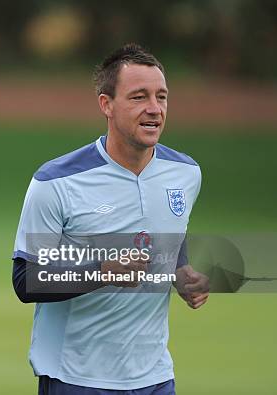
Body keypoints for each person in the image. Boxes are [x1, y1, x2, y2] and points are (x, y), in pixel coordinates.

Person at [11, 43, 210, 394]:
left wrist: (182, 274)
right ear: (107, 104)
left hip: (155, 377)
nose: (154, 109)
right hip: (75, 377)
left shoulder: (186, 173)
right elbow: (26, 280)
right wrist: (102, 272)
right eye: (138, 97)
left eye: (161, 97)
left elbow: (169, 240)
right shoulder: (55, 182)